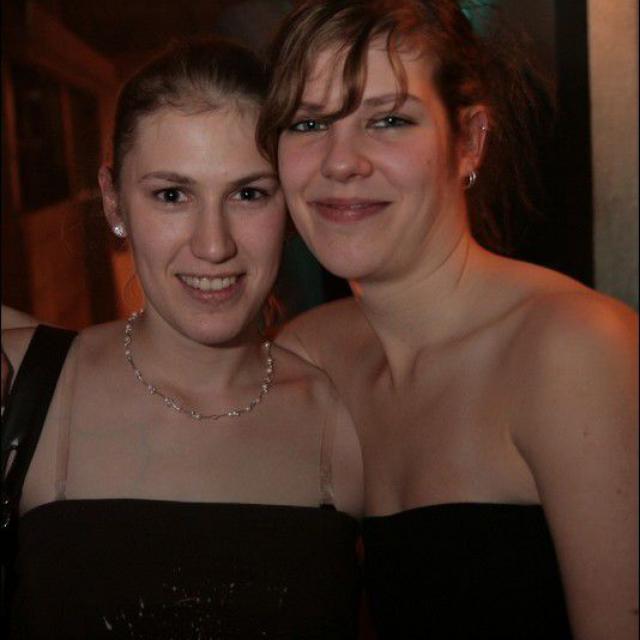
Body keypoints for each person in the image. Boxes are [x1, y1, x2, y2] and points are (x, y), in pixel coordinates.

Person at [258, 1, 639, 638]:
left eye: (389, 119)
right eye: (308, 123)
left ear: (469, 141)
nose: (341, 161)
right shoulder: (312, 356)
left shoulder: (573, 348)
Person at [1, 38, 363, 639]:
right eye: (172, 195)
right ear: (115, 202)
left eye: (249, 193)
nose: (213, 244)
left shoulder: (348, 418)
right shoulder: (23, 387)